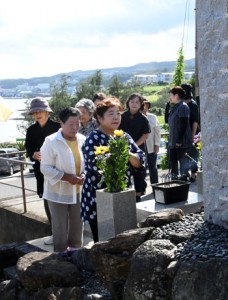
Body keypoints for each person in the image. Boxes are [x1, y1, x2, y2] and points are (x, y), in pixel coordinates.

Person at [81, 97, 145, 243]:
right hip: (98, 198)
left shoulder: (124, 137)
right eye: (111, 113)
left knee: (125, 238)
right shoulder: (93, 139)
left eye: (118, 113)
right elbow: (96, 167)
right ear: (99, 118)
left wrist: (126, 154)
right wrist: (121, 155)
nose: (116, 117)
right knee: (103, 241)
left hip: (122, 195)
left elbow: (140, 161)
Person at [40, 107, 85, 254]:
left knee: (77, 226)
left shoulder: (82, 140)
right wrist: (67, 177)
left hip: (78, 191)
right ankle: (60, 259)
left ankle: (77, 255)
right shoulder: (51, 141)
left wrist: (84, 174)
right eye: (71, 124)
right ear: (62, 123)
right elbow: (45, 168)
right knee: (60, 228)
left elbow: (88, 163)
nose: (75, 127)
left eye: (78, 123)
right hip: (58, 192)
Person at [25, 97, 60, 245]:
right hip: (41, 171)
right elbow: (29, 148)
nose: (37, 114)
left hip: (58, 168)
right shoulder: (31, 130)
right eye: (35, 112)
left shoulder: (58, 127)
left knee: (61, 199)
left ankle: (65, 232)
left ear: (47, 112)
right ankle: (54, 232)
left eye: (40, 111)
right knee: (47, 199)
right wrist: (34, 153)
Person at [119, 93, 150, 201]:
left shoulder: (143, 119)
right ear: (128, 103)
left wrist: (134, 145)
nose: (134, 104)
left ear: (141, 104)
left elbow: (145, 134)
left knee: (139, 173)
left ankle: (138, 195)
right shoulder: (121, 116)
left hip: (138, 149)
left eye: (137, 102)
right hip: (122, 149)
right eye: (132, 101)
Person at [168, 86, 192, 180]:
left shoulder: (183, 107)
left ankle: (182, 188)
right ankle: (175, 187)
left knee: (183, 169)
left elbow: (184, 125)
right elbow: (168, 120)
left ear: (176, 95)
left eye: (171, 95)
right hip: (173, 143)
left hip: (181, 143)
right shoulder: (174, 107)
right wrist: (167, 107)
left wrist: (179, 140)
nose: (169, 97)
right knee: (173, 167)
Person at [181, 83, 200, 182]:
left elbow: (195, 122)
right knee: (183, 154)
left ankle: (193, 174)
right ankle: (185, 173)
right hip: (183, 135)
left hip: (192, 134)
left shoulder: (193, 104)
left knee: (193, 154)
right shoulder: (180, 104)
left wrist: (192, 136)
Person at [142, 99, 161, 185]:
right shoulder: (136, 117)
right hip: (140, 146)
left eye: (146, 105)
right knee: (141, 168)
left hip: (151, 146)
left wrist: (157, 144)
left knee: (153, 167)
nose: (145, 107)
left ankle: (155, 185)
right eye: (143, 105)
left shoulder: (153, 117)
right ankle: (142, 187)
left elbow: (157, 132)